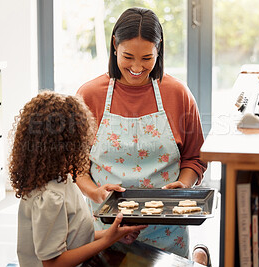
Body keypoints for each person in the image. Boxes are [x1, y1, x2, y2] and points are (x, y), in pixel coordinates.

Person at [76, 7, 209, 264]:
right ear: (114, 45)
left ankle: (197, 258)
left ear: (159, 51)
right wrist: (94, 192)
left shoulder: (178, 94)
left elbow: (195, 157)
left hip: (167, 231)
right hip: (104, 230)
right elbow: (74, 165)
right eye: (128, 57)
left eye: (147, 58)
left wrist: (183, 186)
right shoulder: (89, 95)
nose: (137, 68)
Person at [8, 91, 147, 267]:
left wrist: (114, 234)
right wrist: (106, 241)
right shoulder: (50, 197)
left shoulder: (62, 179)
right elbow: (52, 263)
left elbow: (74, 238)